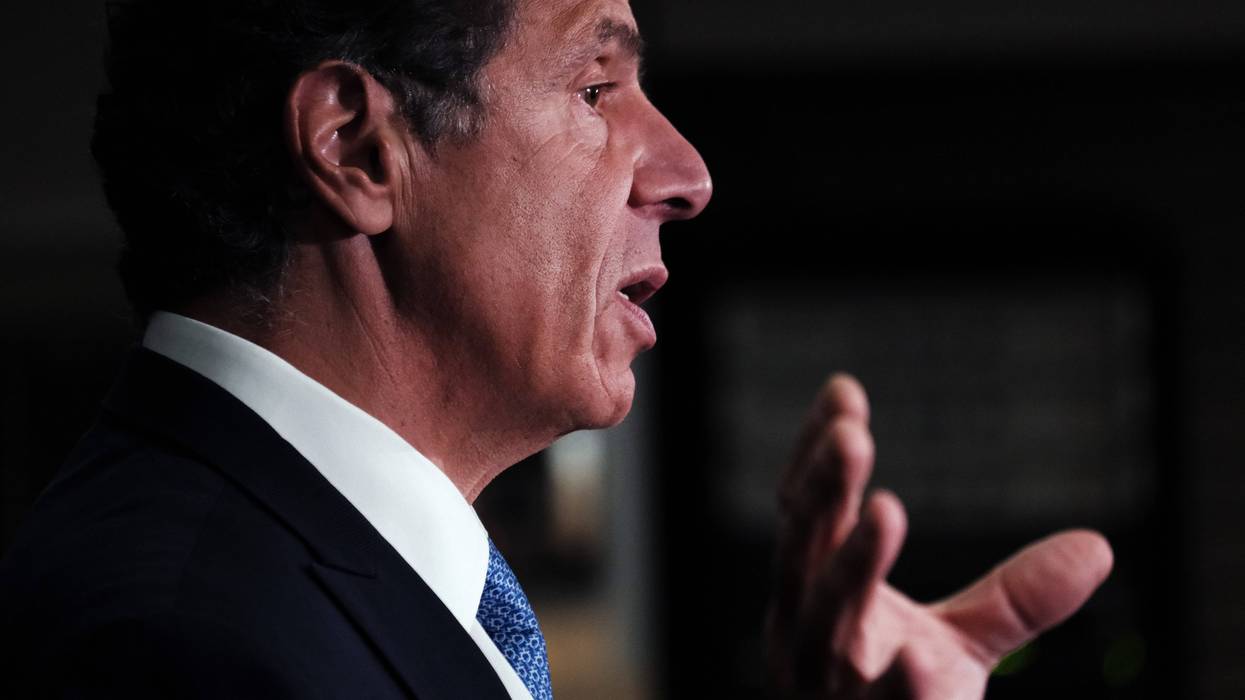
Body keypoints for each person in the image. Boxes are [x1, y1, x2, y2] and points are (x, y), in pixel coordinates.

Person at [0, 0, 1113, 697]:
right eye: (595, 87)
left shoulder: (282, 579)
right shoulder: (181, 645)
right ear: (357, 147)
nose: (687, 173)